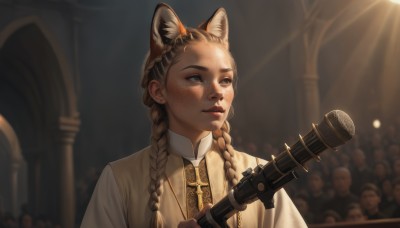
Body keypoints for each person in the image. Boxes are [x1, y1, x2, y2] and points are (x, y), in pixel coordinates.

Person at [81, 3, 306, 228]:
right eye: (196, 77)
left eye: (225, 80)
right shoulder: (120, 180)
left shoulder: (262, 176)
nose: (217, 91)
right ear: (158, 91)